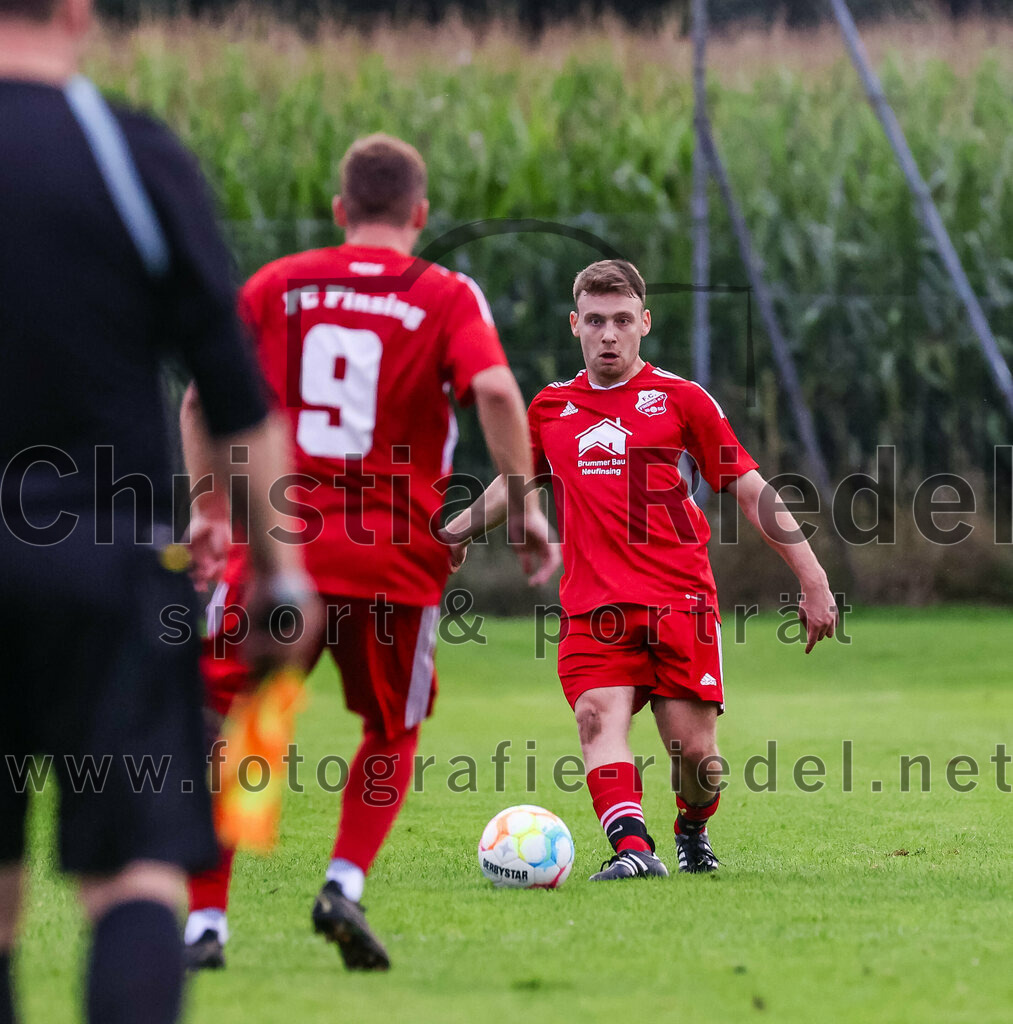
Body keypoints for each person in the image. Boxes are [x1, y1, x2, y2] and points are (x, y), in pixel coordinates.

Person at [0, 3, 318, 1024]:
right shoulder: (131, 156)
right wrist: (280, 574)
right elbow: (232, 391)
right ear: (78, 10)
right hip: (108, 562)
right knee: (135, 876)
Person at [182, 132, 557, 971]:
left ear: (339, 210)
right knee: (390, 729)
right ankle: (343, 882)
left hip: (278, 551)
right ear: (419, 214)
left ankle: (204, 925)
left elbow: (202, 399)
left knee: (246, 724)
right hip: (392, 559)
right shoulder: (445, 294)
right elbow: (498, 392)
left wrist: (208, 510)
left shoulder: (274, 286)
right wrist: (526, 507)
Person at [444, 259, 838, 879]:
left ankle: (691, 826)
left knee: (696, 756)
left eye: (622, 321)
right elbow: (516, 482)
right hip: (592, 607)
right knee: (596, 719)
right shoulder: (550, 408)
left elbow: (751, 489)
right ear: (575, 324)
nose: (609, 334)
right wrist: (455, 531)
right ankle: (633, 849)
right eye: (596, 320)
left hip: (681, 602)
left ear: (645, 323)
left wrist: (813, 579)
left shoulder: (681, 400)